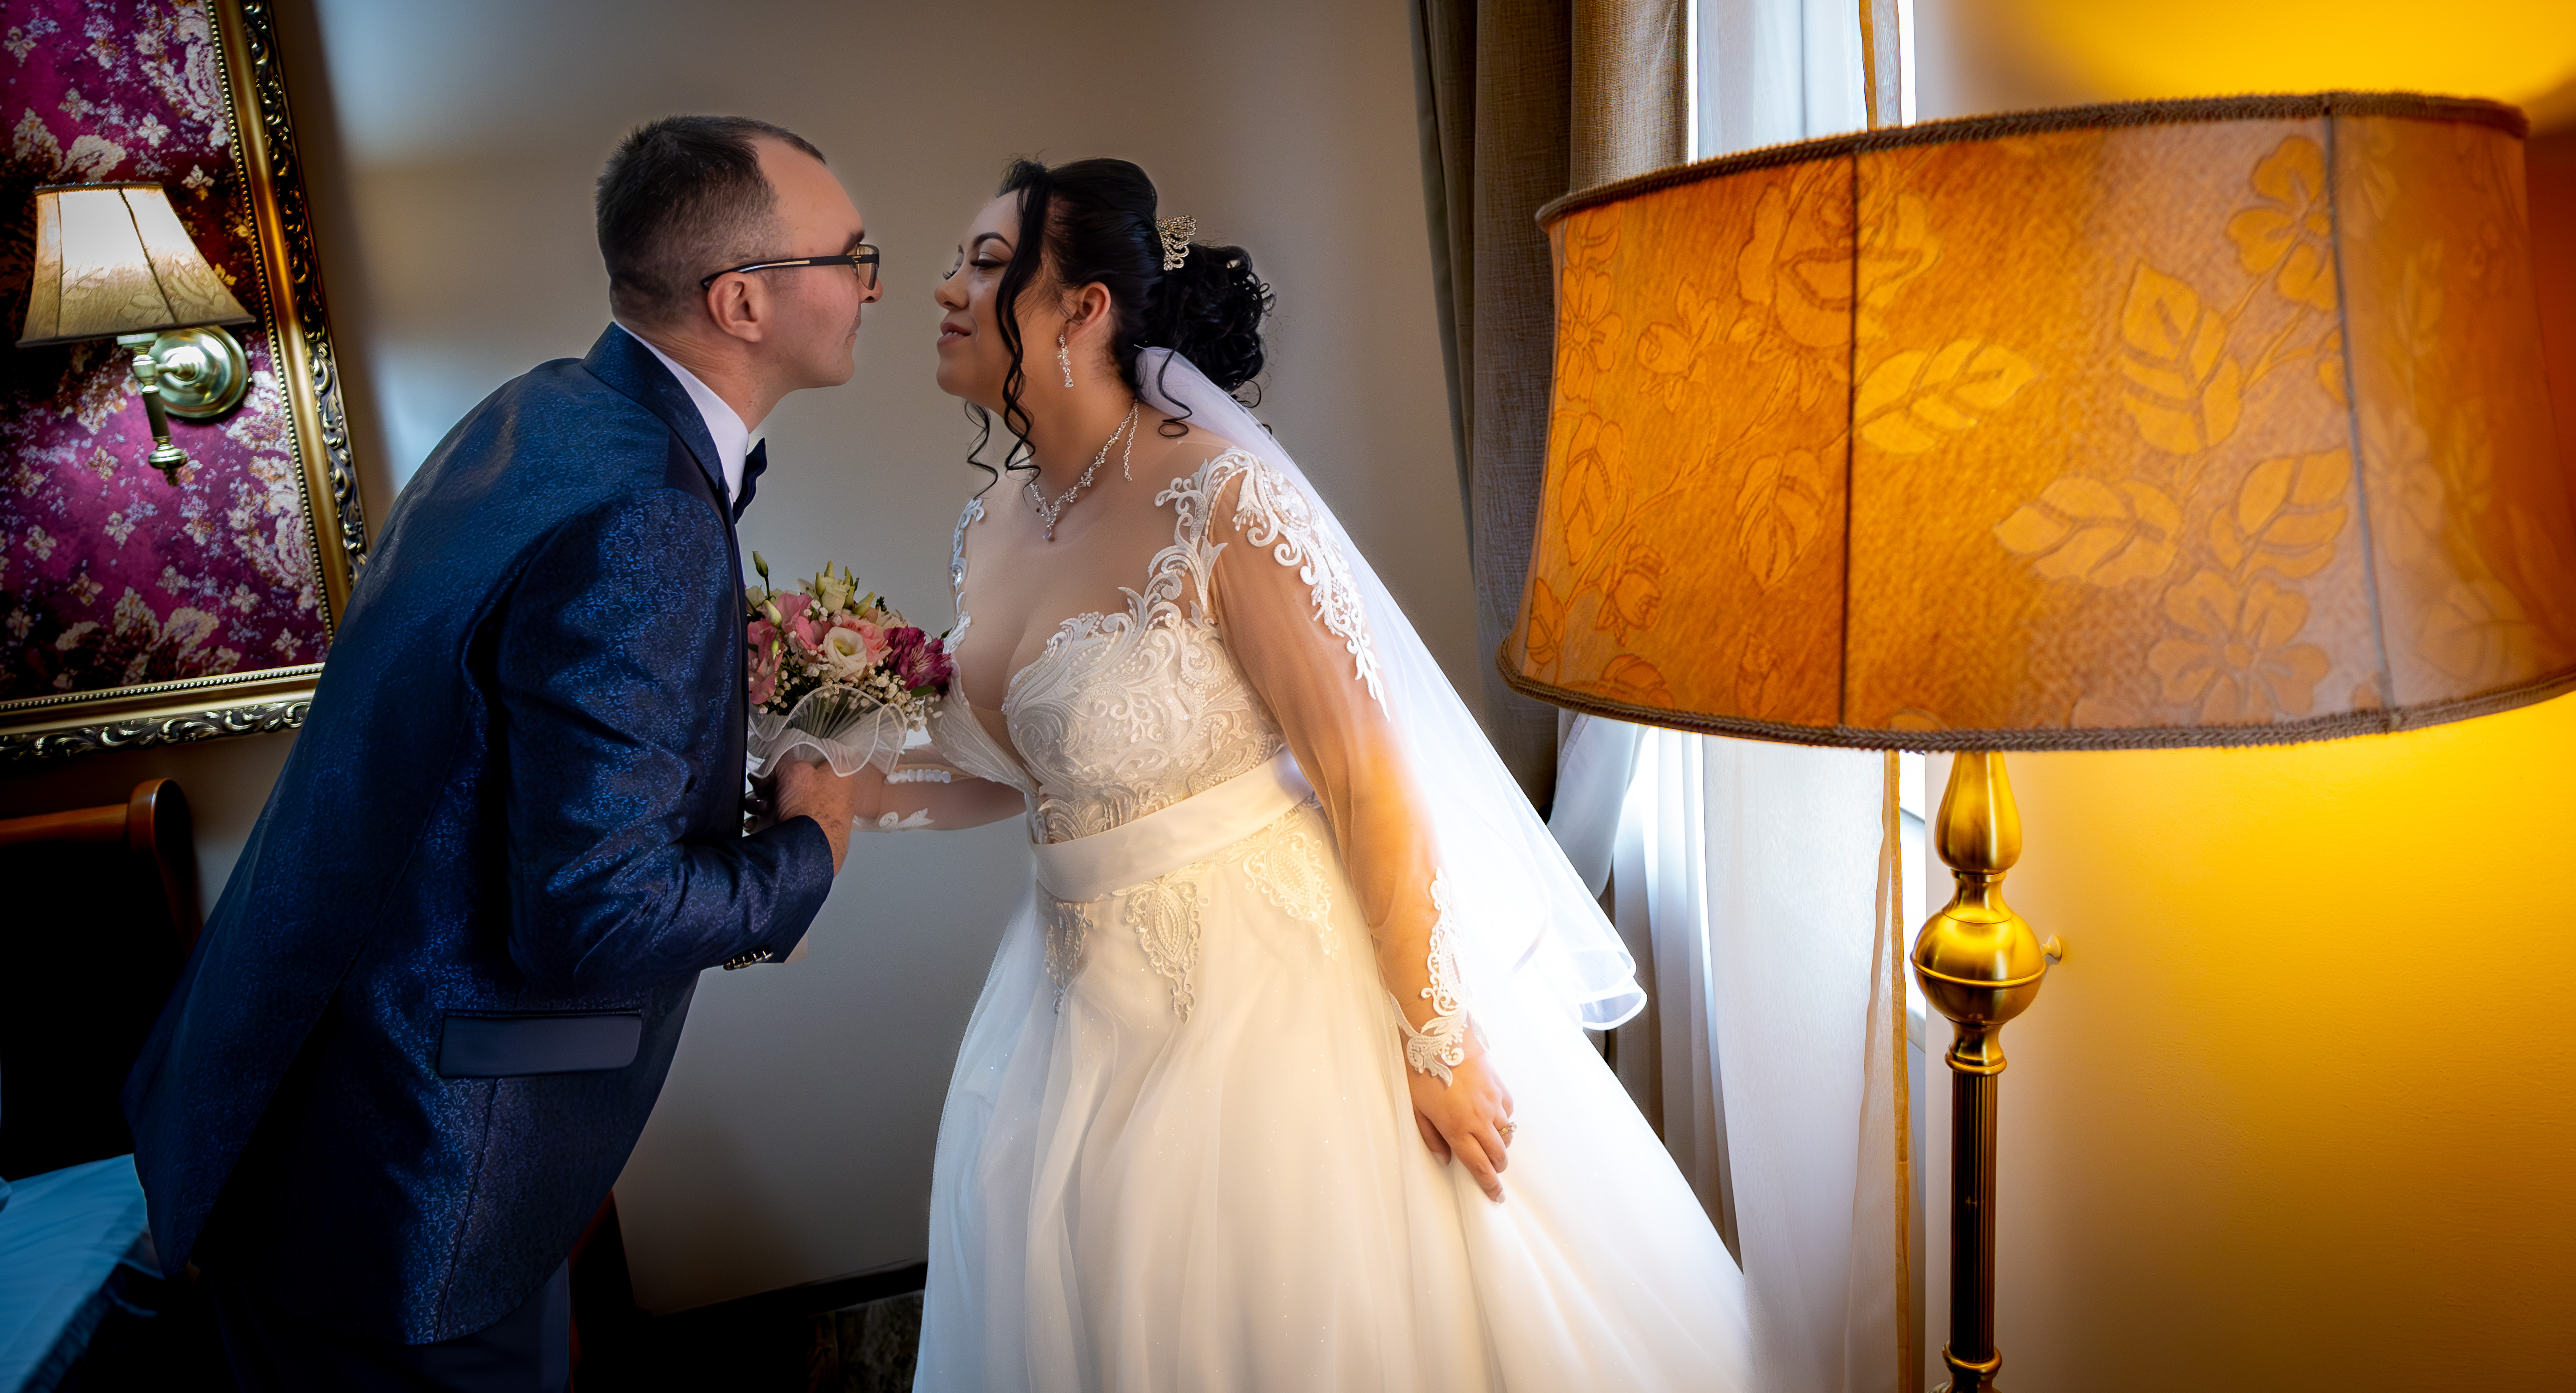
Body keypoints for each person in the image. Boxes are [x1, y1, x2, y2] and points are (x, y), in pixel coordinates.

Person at [860, 158, 1750, 1391]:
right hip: (1073, 1009)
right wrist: (843, 790)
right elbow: (1022, 770)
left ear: (1084, 309)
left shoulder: (1222, 500)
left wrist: (1436, 1042)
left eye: (989, 264)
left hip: (1270, 992)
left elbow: (1366, 777)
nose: (947, 289)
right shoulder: (998, 522)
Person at [121, 115, 874, 1393]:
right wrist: (812, 847)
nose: (871, 285)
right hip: (403, 1186)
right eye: (850, 257)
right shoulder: (646, 508)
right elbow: (595, 912)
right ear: (743, 300)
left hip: (300, 1098)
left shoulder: (548, 406)